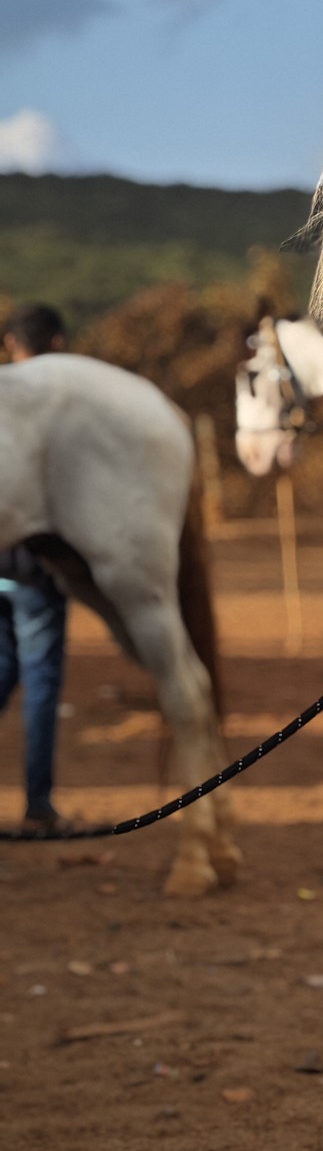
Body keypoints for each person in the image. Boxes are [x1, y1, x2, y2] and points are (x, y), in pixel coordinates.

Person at [0, 302, 70, 831]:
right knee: (42, 685)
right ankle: (38, 803)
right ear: (58, 345)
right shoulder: (50, 405)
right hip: (32, 574)